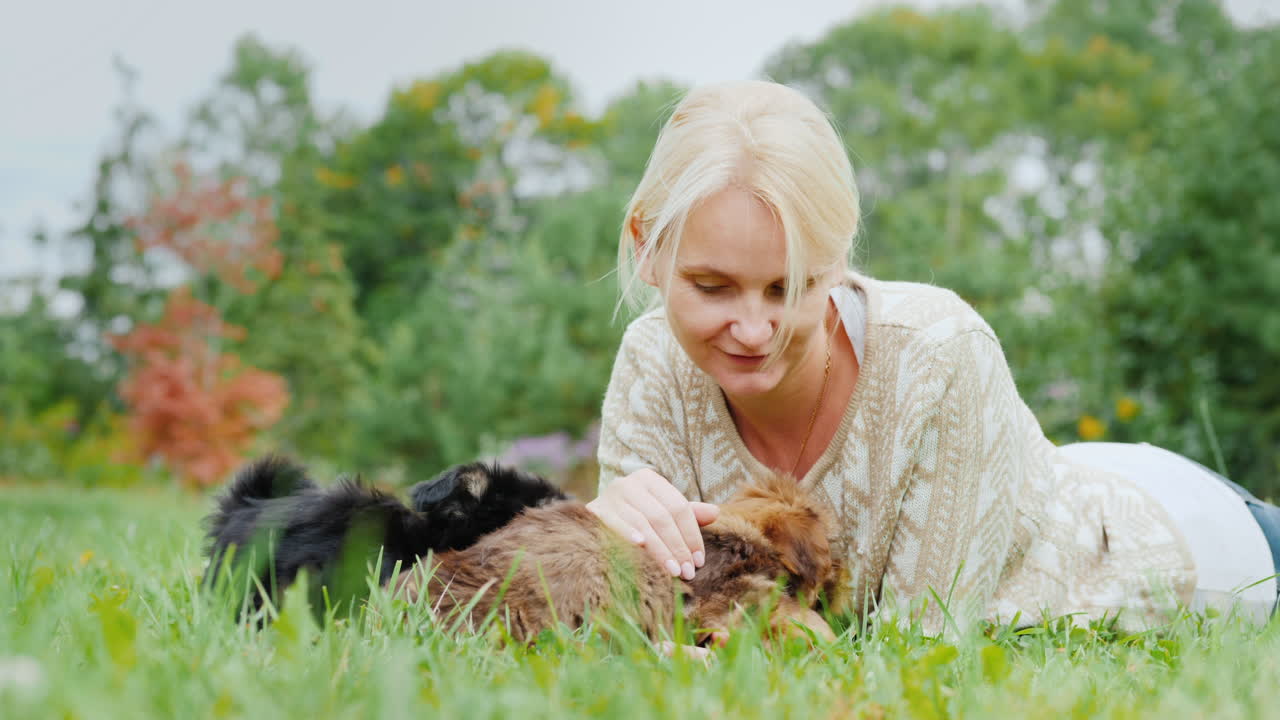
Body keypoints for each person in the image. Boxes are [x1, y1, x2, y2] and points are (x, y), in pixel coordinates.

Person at [584, 80, 1278, 634]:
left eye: (789, 287)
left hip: (1193, 542)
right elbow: (657, 620)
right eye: (713, 287)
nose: (754, 328)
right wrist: (608, 539)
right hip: (1079, 471)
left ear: (838, 260)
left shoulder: (941, 355)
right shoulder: (652, 363)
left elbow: (917, 646)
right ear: (647, 246)